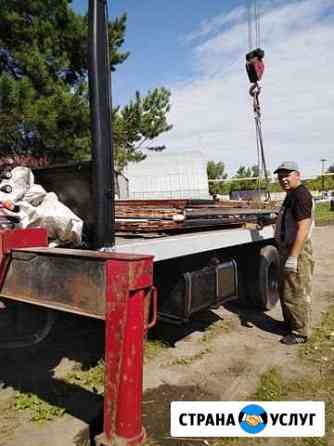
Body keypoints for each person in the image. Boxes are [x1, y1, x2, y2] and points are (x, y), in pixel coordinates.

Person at [274, 161, 315, 345]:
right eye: (280, 176)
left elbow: (303, 228)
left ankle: (300, 332)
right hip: (287, 248)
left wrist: (293, 256)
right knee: (287, 291)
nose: (283, 179)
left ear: (297, 175)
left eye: (287, 175)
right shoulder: (291, 195)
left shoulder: (300, 195)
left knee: (296, 291)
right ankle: (291, 324)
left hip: (296, 249)